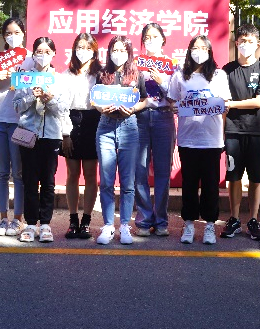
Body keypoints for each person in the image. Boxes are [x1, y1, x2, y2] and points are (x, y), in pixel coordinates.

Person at [168, 35, 231, 245]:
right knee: (189, 184)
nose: (199, 51)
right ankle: (188, 224)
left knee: (211, 185)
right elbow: (172, 100)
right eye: (196, 48)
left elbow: (224, 103)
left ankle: (210, 225)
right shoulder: (180, 75)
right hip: (188, 139)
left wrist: (224, 118)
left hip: (212, 140)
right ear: (189, 51)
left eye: (204, 48)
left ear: (210, 51)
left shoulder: (219, 75)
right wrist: (175, 107)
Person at [14, 37, 71, 243]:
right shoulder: (24, 78)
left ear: (54, 54)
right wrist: (31, 95)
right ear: (33, 54)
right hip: (28, 135)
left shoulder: (60, 79)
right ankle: (30, 224)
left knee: (48, 181)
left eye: (47, 51)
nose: (43, 55)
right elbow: (17, 106)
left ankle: (45, 224)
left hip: (51, 136)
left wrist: (50, 99)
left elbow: (63, 109)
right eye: (39, 51)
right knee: (29, 181)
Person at [92, 35, 147, 245]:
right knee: (106, 180)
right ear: (109, 52)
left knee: (128, 180)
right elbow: (95, 99)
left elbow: (144, 100)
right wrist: (100, 108)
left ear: (129, 53)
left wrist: (133, 109)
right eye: (114, 50)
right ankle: (108, 225)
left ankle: (124, 225)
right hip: (105, 127)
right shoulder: (102, 73)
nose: (118, 54)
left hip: (129, 127)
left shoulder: (136, 74)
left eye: (122, 50)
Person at [220, 23, 260, 242]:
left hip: (257, 132)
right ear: (236, 42)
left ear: (257, 43)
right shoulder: (227, 70)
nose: (246, 45)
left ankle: (253, 219)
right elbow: (221, 102)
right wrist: (222, 131)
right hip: (233, 131)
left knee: (256, 177)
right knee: (234, 177)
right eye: (242, 41)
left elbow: (259, 102)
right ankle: (233, 218)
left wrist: (232, 104)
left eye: (250, 41)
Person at [0, 17, 31, 236]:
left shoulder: (30, 58)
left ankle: (18, 219)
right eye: (8, 33)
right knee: (1, 172)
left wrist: (18, 78)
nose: (13, 37)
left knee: (18, 173)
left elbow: (34, 87)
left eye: (17, 32)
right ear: (4, 36)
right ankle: (3, 218)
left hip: (20, 121)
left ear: (23, 34)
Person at [134, 23, 177, 237]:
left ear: (163, 39)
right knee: (139, 170)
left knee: (162, 171)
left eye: (155, 36)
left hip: (163, 117)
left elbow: (176, 96)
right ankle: (143, 220)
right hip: (140, 117)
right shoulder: (135, 63)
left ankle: (161, 221)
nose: (151, 40)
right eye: (147, 37)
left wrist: (162, 81)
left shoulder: (172, 65)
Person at [61, 33, 101, 239]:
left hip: (94, 122)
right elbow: (61, 107)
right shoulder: (66, 74)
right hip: (71, 122)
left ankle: (86, 221)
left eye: (87, 47)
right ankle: (73, 220)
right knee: (72, 173)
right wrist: (65, 134)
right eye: (80, 47)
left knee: (91, 174)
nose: (83, 51)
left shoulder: (101, 74)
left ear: (94, 50)